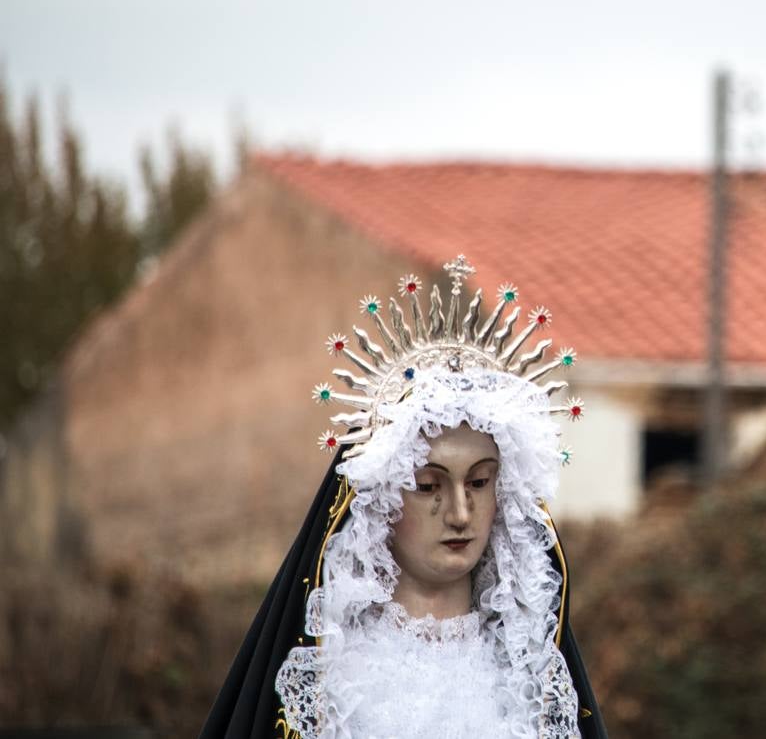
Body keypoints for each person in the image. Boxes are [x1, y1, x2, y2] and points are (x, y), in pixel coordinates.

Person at [199, 255, 607, 738]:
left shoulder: (527, 682)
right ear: (378, 502)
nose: (460, 514)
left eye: (479, 483)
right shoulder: (335, 678)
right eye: (428, 486)